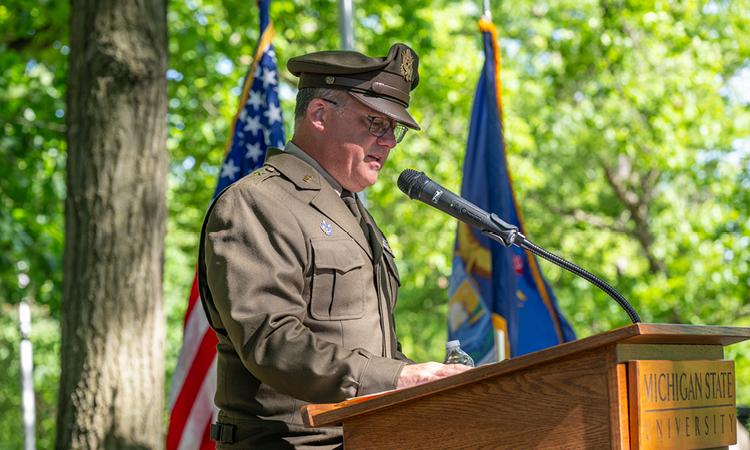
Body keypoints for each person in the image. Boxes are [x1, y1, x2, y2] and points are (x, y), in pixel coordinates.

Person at [198, 43, 471, 449]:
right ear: (320, 115)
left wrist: (432, 380)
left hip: (363, 437)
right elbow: (272, 341)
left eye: (392, 129)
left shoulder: (350, 211)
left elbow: (370, 349)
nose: (389, 142)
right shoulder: (256, 203)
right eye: (375, 123)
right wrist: (399, 377)